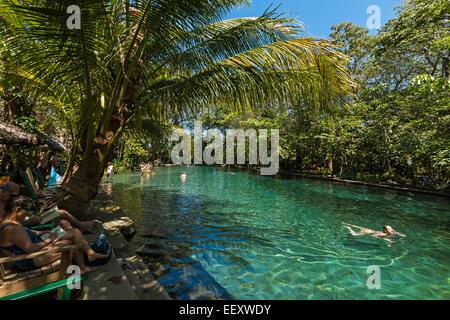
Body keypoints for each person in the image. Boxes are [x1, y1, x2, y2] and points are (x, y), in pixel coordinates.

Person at [0, 196, 108, 273]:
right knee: (71, 240)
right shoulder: (12, 228)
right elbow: (31, 249)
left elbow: (24, 234)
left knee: (72, 231)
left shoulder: (7, 223)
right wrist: (49, 239)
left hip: (34, 249)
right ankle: (86, 262)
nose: (28, 213)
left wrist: (39, 232)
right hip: (31, 259)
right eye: (27, 210)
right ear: (18, 209)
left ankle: (88, 257)